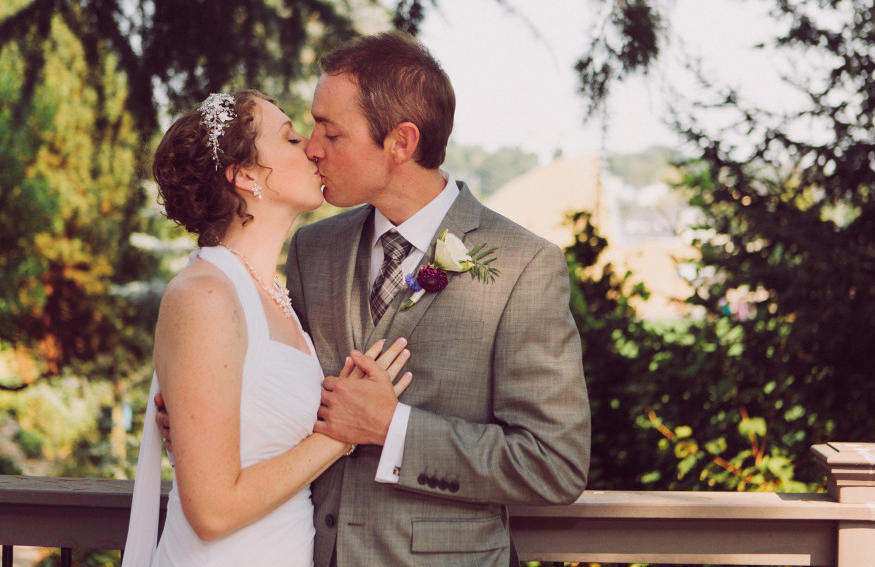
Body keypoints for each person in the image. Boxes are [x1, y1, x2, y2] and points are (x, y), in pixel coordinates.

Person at [286, 31, 591, 566]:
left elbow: (554, 463)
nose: (312, 147)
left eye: (330, 133)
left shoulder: (525, 266)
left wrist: (394, 430)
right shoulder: (313, 248)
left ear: (401, 143)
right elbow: (297, 402)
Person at [123, 90, 412, 567]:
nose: (314, 149)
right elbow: (212, 511)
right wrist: (340, 435)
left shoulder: (276, 295)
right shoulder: (205, 295)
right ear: (246, 175)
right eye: (292, 139)